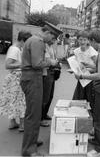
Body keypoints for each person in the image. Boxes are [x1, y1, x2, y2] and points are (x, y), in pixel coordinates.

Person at [20, 21, 62, 156]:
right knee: (34, 115)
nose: (53, 41)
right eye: (53, 37)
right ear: (48, 33)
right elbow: (37, 64)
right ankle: (29, 150)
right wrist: (51, 62)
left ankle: (31, 141)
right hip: (33, 79)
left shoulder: (34, 40)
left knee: (33, 113)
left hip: (32, 78)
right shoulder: (38, 41)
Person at [74, 29, 100, 157]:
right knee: (98, 116)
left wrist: (82, 76)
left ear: (93, 40)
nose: (90, 45)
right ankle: (97, 139)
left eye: (90, 42)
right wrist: (89, 66)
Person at [0, 31, 32, 132]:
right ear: (22, 40)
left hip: (15, 77)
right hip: (16, 78)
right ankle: (22, 125)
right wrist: (22, 65)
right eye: (26, 42)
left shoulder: (18, 48)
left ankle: (12, 122)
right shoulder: (15, 49)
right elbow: (7, 65)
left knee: (13, 100)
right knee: (22, 101)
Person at [72, 30, 98, 112]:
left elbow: (97, 67)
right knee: (78, 100)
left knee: (90, 100)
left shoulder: (92, 51)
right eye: (80, 39)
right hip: (81, 80)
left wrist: (87, 69)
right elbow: (76, 66)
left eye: (84, 39)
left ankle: (90, 120)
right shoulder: (76, 51)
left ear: (88, 40)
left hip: (90, 79)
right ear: (77, 40)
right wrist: (73, 70)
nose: (82, 42)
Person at [40, 36, 60, 127]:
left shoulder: (51, 46)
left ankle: (44, 114)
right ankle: (40, 118)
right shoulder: (45, 46)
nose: (54, 41)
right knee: (45, 97)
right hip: (47, 72)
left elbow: (53, 60)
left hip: (52, 72)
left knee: (50, 96)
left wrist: (55, 62)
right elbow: (48, 61)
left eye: (55, 39)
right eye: (53, 39)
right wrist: (55, 62)